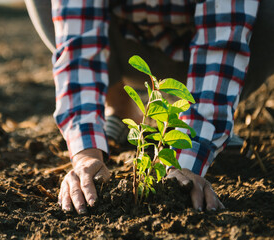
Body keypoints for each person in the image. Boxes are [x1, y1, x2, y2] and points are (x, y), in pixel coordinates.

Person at [24, 0, 273, 214]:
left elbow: (222, 46)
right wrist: (85, 155)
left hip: (200, 50)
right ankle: (121, 108)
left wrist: (186, 162)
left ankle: (201, 126)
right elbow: (78, 44)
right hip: (125, 45)